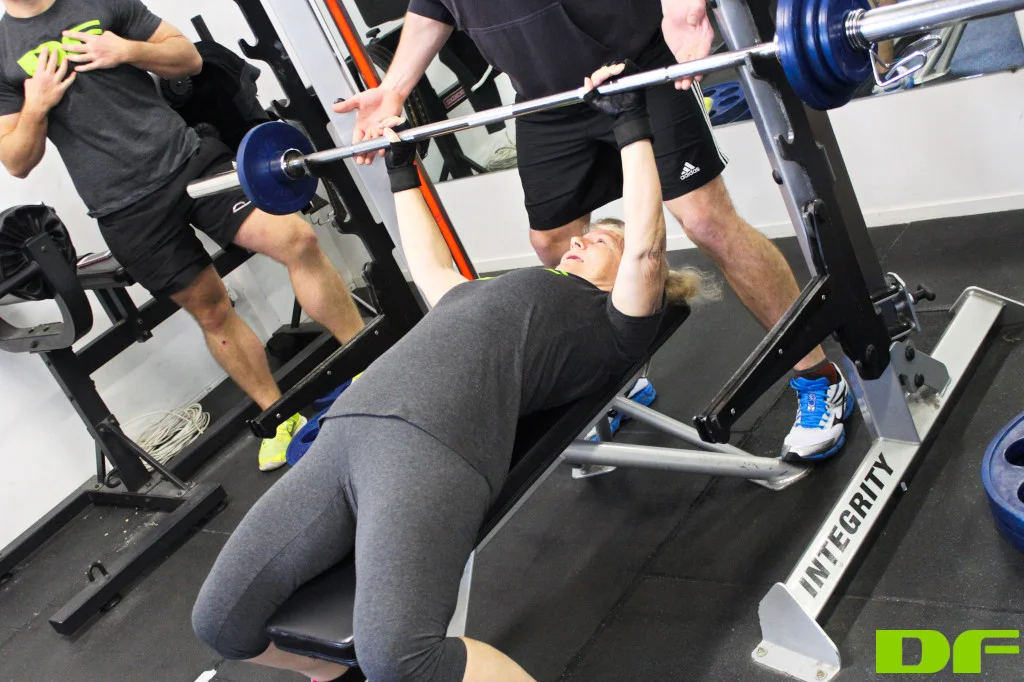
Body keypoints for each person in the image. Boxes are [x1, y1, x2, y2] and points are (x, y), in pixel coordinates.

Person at [192, 64, 705, 682]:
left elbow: (647, 245)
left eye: (601, 241)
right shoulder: (499, 290)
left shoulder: (615, 322)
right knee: (220, 622)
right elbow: (432, 270)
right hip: (344, 431)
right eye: (585, 235)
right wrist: (403, 167)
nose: (579, 241)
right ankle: (329, 674)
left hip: (434, 443)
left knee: (399, 657)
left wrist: (632, 125)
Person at [334, 0, 853, 462]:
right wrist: (394, 90)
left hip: (637, 64)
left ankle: (816, 376)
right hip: (545, 99)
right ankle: (612, 368)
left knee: (705, 220)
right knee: (551, 242)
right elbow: (434, 7)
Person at [0, 0, 366, 471]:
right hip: (124, 209)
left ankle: (366, 362)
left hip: (189, 161)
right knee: (212, 311)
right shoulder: (3, 51)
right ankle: (279, 418)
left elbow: (188, 58)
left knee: (297, 240)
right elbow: (16, 159)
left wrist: (125, 50)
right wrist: (36, 105)